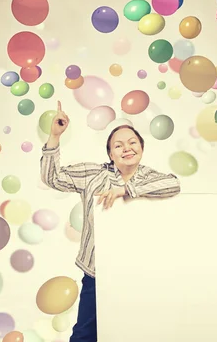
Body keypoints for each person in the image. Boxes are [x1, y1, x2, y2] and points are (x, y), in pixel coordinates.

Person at [40, 101, 180, 342]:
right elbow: (52, 178)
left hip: (137, 273)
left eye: (132, 143)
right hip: (97, 273)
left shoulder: (149, 177)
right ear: (110, 154)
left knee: (132, 333)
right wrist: (54, 136)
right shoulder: (94, 174)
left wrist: (127, 189)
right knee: (85, 335)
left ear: (141, 148)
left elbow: (173, 184)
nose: (127, 148)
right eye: (118, 145)